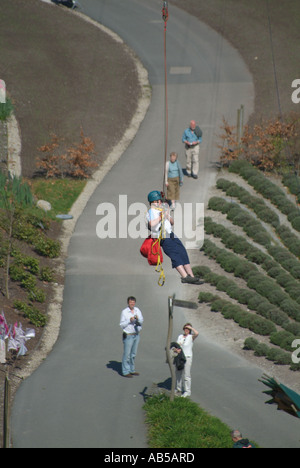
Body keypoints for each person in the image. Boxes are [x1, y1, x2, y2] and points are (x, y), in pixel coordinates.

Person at [146, 190, 202, 284]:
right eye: (159, 200)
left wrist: (167, 215)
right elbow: (151, 224)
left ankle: (191, 276)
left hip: (171, 234)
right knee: (175, 255)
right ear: (154, 201)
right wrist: (161, 217)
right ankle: (184, 276)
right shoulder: (151, 212)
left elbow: (172, 222)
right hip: (163, 237)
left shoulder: (161, 210)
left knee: (182, 252)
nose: (160, 202)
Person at [120, 296, 144, 378]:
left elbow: (142, 320)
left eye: (133, 302)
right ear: (128, 303)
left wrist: (137, 319)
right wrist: (129, 321)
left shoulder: (137, 310)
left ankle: (132, 369)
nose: (132, 304)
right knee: (127, 354)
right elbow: (121, 324)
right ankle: (125, 371)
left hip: (136, 335)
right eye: (131, 302)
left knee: (133, 354)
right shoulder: (124, 312)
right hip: (128, 335)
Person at [174, 323, 199, 397]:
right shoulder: (180, 336)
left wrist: (191, 328)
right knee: (178, 373)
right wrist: (176, 350)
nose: (186, 330)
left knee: (186, 375)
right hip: (179, 357)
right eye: (185, 328)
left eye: (188, 329)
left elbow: (197, 333)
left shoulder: (191, 337)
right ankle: (178, 389)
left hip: (187, 357)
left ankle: (187, 391)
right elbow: (176, 345)